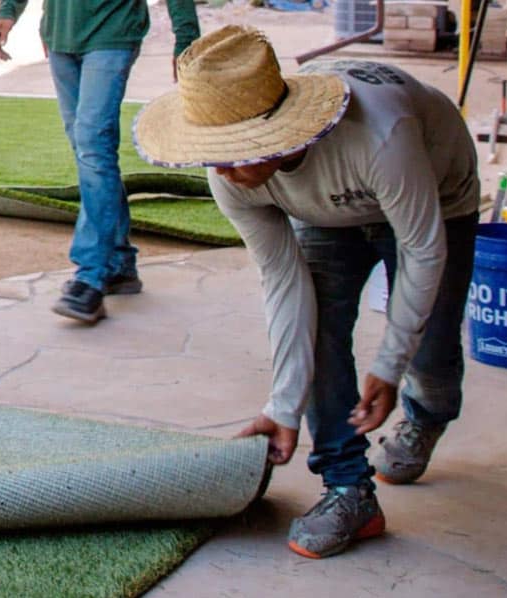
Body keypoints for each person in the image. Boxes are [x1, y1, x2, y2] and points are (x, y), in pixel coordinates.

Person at [133, 26, 480, 559]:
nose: (223, 170)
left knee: (429, 348)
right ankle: (349, 489)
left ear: (282, 131)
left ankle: (428, 413)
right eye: (214, 153)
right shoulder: (231, 176)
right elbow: (283, 282)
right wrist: (284, 404)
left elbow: (423, 250)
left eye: (237, 152)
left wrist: (389, 364)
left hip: (434, 192)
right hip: (324, 211)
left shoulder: (382, 135)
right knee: (320, 332)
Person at [0, 0, 200, 324]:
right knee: (87, 149)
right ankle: (119, 264)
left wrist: (186, 37)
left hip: (112, 34)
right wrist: (9, 12)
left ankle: (90, 276)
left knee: (92, 146)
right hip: (62, 37)